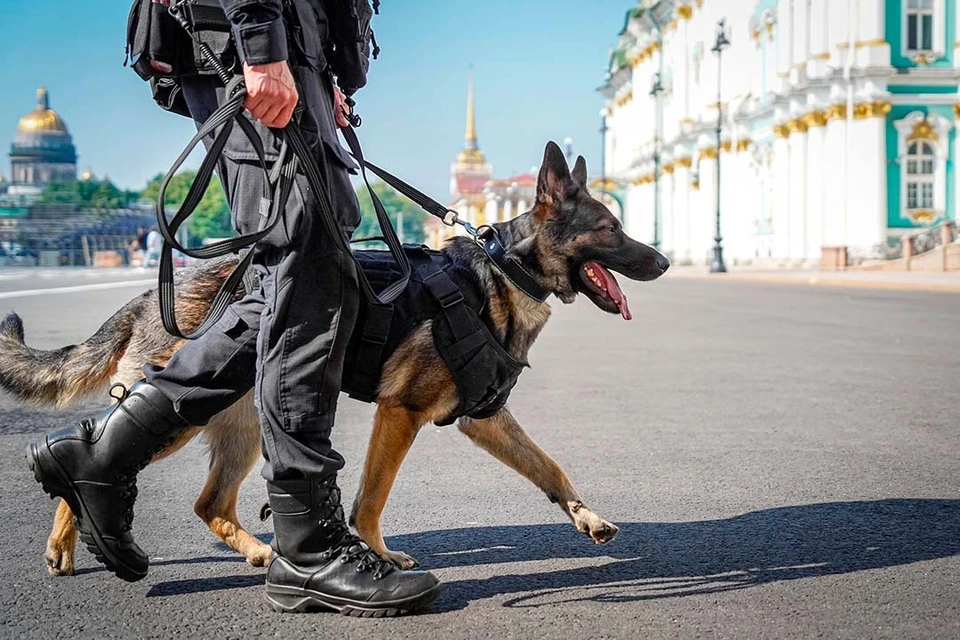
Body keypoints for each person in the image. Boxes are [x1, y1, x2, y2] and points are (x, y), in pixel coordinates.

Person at [28, 0, 440, 616]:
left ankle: (103, 458)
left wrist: (329, 69)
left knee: (290, 281)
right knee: (308, 263)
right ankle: (307, 546)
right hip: (249, 35)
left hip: (288, 46)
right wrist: (261, 42)